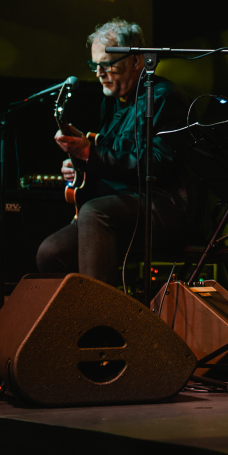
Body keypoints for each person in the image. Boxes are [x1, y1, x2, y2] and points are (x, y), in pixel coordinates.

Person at [36, 18, 196, 287]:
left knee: (94, 213)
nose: (99, 73)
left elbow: (159, 165)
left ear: (136, 61)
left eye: (106, 64)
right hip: (124, 204)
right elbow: (112, 158)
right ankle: (103, 306)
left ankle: (103, 312)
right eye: (94, 65)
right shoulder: (111, 103)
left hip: (165, 206)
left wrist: (91, 154)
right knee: (51, 253)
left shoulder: (163, 96)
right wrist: (81, 164)